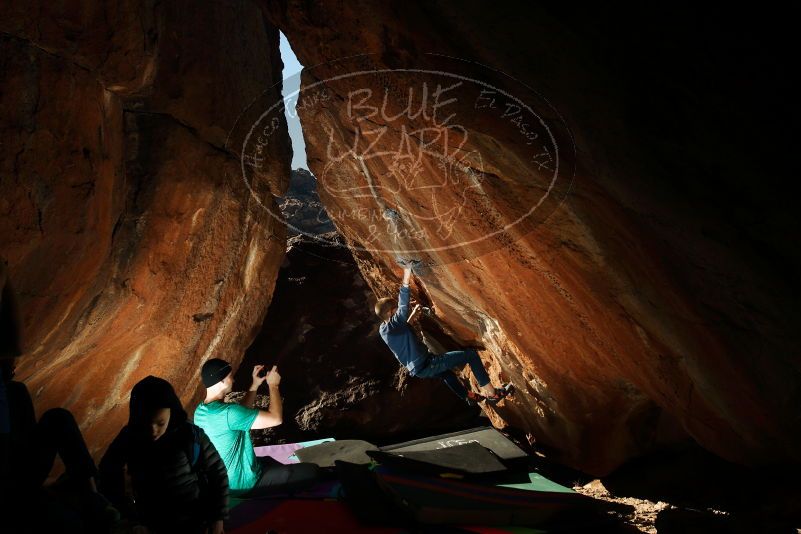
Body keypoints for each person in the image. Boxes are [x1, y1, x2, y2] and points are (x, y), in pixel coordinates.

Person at [1, 258, 116, 532]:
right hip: (8, 483)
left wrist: (5, 280)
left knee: (56, 417)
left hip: (18, 463)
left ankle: (91, 494)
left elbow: (15, 346)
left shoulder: (12, 390)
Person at [99, 376, 228, 533]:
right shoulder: (129, 438)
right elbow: (108, 473)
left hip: (196, 521)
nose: (153, 430)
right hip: (153, 524)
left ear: (171, 412)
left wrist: (218, 518)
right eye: (145, 423)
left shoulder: (189, 434)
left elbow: (217, 471)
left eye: (160, 423)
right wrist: (130, 518)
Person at [375, 266, 510, 405]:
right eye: (395, 310)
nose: (398, 312)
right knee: (471, 355)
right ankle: (492, 394)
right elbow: (402, 307)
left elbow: (401, 331)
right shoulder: (394, 324)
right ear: (391, 313)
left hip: (420, 367)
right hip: (426, 364)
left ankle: (467, 396)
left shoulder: (384, 329)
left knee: (447, 374)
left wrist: (413, 315)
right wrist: (406, 277)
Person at [194, 359, 319, 496]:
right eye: (230, 377)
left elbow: (240, 416)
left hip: (224, 483)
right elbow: (276, 419)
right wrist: (273, 385)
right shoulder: (229, 413)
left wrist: (255, 385)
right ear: (221, 381)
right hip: (244, 485)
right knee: (312, 472)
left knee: (268, 460)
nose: (233, 380)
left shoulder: (200, 411)